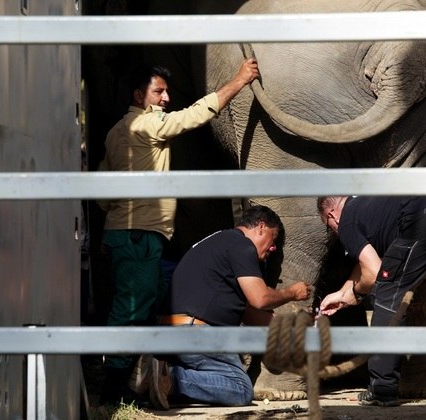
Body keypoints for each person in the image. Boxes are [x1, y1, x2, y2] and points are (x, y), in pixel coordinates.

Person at [98, 58, 260, 404]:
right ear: (140, 95)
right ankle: (114, 390)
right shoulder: (148, 124)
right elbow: (196, 114)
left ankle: (139, 377)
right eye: (159, 91)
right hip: (138, 234)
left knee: (149, 302)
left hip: (126, 234)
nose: (166, 98)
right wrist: (239, 79)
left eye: (167, 91)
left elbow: (103, 194)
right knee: (131, 308)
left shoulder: (115, 133)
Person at [134, 205, 311, 410]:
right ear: (261, 227)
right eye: (273, 240)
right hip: (196, 333)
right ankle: (171, 379)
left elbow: (246, 311)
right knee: (240, 388)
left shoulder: (219, 244)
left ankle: (158, 374)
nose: (272, 248)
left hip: (172, 332)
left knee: (212, 380)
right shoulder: (242, 246)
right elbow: (260, 298)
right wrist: (292, 292)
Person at [316, 195, 426, 407]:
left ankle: (382, 387)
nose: (334, 233)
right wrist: (343, 293)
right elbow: (365, 264)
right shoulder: (371, 206)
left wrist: (356, 294)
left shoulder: (346, 221)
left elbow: (374, 271)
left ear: (332, 216)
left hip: (425, 215)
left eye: (329, 227)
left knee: (387, 294)